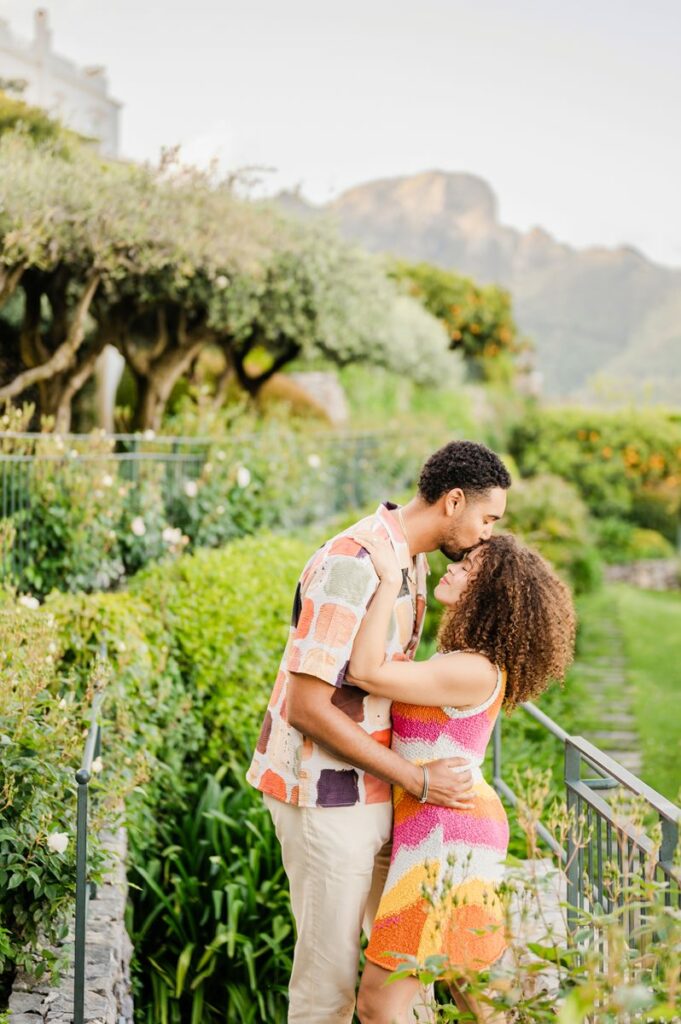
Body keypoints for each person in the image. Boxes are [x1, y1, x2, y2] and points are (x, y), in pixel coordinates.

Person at [246, 440, 512, 1023]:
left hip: (377, 793)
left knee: (401, 978)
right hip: (325, 794)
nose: (487, 535)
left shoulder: (408, 565)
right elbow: (308, 708)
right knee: (329, 988)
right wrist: (418, 779)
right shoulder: (355, 562)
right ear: (455, 501)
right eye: (487, 518)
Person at [345, 530, 576, 1024]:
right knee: (473, 993)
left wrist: (387, 581)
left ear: (488, 594)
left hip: (446, 838)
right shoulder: (462, 661)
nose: (453, 566)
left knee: (378, 1003)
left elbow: (364, 672)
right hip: (444, 826)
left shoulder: (473, 669)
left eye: (469, 568)